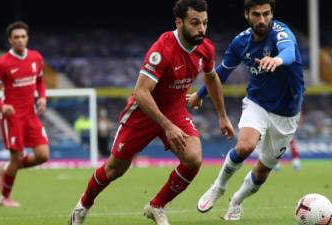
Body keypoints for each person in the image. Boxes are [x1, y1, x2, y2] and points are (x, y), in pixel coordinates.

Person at [68, 0, 234, 224]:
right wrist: (167, 126)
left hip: (175, 109)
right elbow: (141, 93)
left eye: (205, 23)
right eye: (195, 23)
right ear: (179, 22)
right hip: (143, 112)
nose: (201, 29)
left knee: (193, 159)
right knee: (114, 169)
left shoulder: (206, 47)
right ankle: (83, 206)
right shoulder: (162, 49)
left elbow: (212, 77)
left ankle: (156, 206)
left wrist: (222, 116)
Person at [188, 0, 305, 221]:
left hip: (288, 113)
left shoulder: (282, 33)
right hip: (257, 102)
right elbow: (220, 73)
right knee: (245, 146)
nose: (262, 19)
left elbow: (288, 51)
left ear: (271, 14)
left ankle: (236, 201)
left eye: (266, 14)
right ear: (246, 15)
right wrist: (198, 94)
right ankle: (218, 187)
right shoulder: (240, 42)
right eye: (256, 14)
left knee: (262, 172)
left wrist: (277, 59)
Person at [0, 21, 49, 207]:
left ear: (27, 38)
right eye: (16, 37)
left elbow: (40, 81)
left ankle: (6, 170)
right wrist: (1, 105)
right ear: (9, 41)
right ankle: (4, 197)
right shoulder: (3, 63)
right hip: (12, 117)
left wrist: (42, 98)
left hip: (31, 114)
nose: (20, 40)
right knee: (16, 157)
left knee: (43, 155)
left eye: (23, 36)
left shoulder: (36, 57)